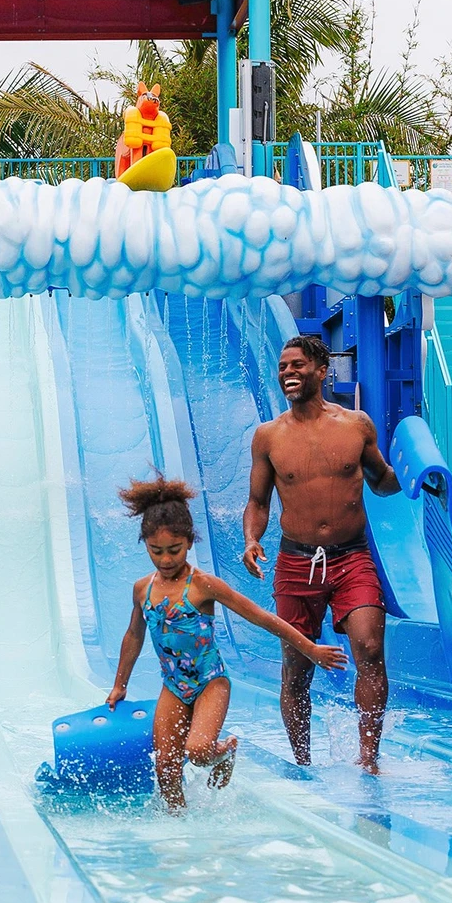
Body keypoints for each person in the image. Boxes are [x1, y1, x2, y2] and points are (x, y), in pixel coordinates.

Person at [106, 478, 345, 810]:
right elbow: (134, 635)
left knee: (200, 751)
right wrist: (120, 685)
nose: (165, 559)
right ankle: (178, 831)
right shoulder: (142, 589)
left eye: (174, 550)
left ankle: (226, 750)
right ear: (144, 543)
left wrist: (311, 649)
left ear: (189, 542)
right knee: (165, 769)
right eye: (155, 550)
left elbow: (261, 617)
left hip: (209, 683)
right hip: (173, 686)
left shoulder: (203, 585)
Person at [243, 335, 400, 773]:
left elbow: (381, 480)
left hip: (352, 557)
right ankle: (303, 762)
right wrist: (251, 540)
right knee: (297, 666)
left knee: (369, 647)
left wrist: (411, 476)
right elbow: (257, 503)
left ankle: (368, 759)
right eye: (282, 367)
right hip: (296, 561)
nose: (287, 374)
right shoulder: (268, 436)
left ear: (321, 370)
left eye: (296, 366)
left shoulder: (356, 426)